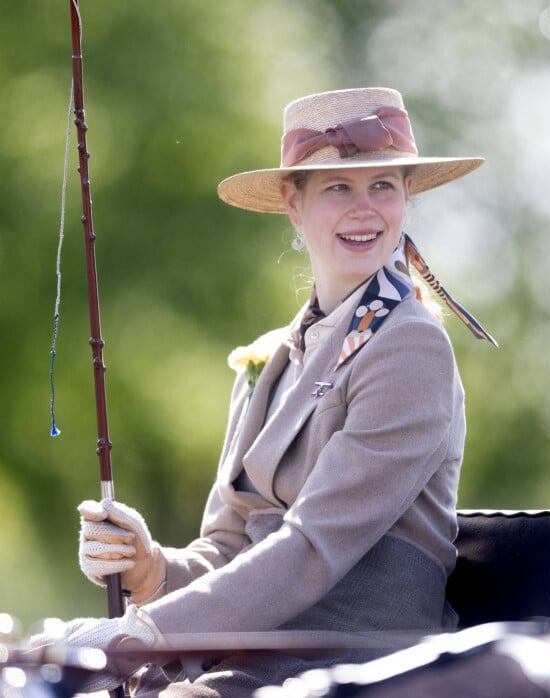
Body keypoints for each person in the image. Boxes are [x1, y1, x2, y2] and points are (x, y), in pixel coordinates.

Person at [30, 87, 496, 697]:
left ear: (406, 199)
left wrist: (133, 637)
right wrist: (149, 568)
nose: (365, 209)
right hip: (245, 657)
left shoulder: (411, 346)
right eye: (337, 188)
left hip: (358, 666)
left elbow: (311, 548)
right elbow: (228, 546)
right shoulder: (271, 358)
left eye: (383, 185)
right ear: (293, 205)